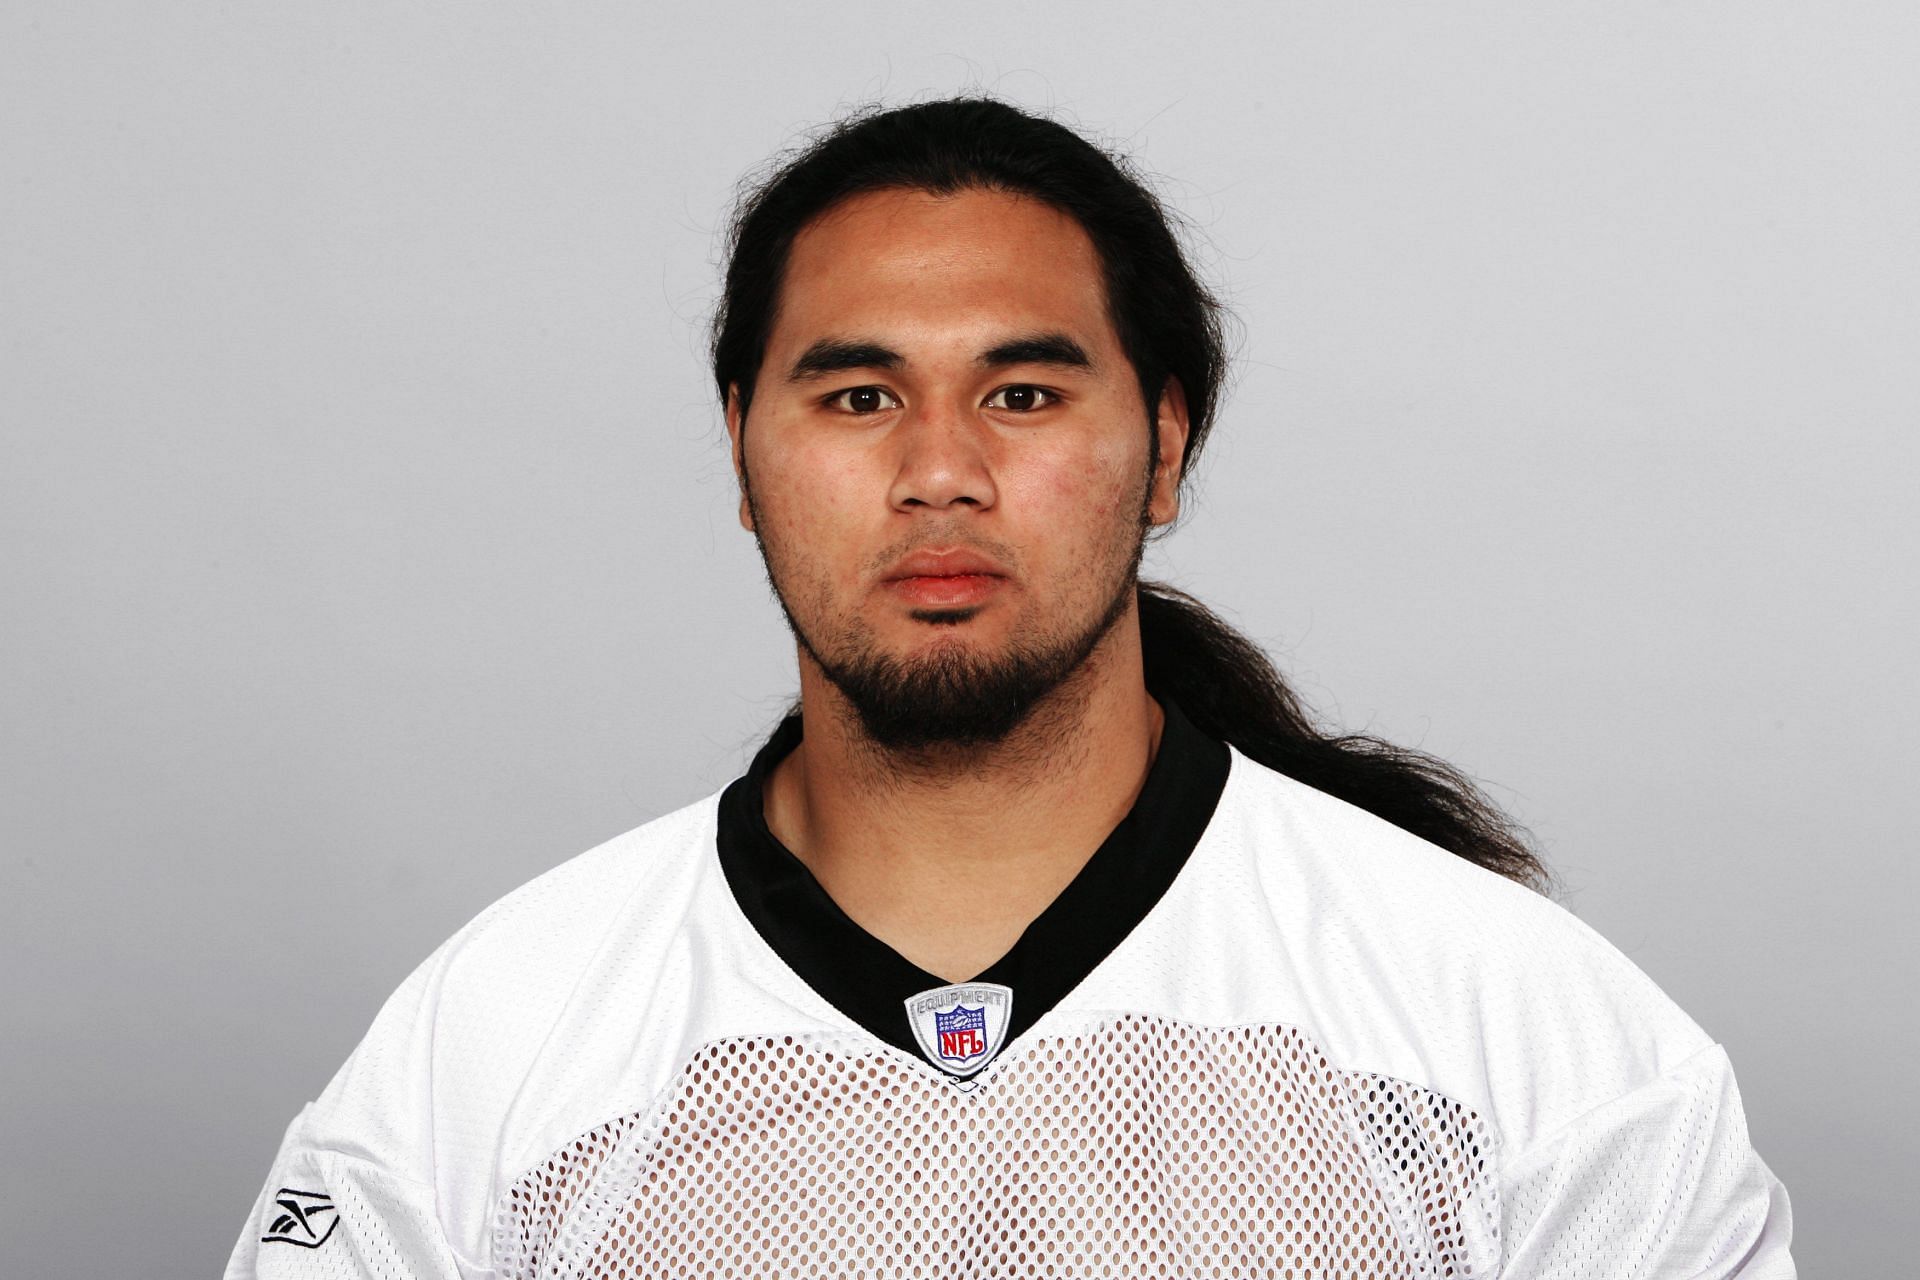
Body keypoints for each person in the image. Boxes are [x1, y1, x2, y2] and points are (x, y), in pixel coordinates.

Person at [226, 98, 1795, 1278]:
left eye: (1025, 393)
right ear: (743, 453)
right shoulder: (501, 1038)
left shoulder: (1515, 1031)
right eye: (857, 394)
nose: (940, 474)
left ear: (1165, 446)